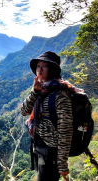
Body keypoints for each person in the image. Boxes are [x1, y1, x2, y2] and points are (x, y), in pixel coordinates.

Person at [21, 51, 73, 181]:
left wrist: (62, 164)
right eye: (38, 66)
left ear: (53, 70)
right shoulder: (41, 90)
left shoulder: (60, 96)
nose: (40, 69)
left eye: (44, 66)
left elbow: (65, 131)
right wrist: (34, 92)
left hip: (51, 155)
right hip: (40, 149)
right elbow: (24, 111)